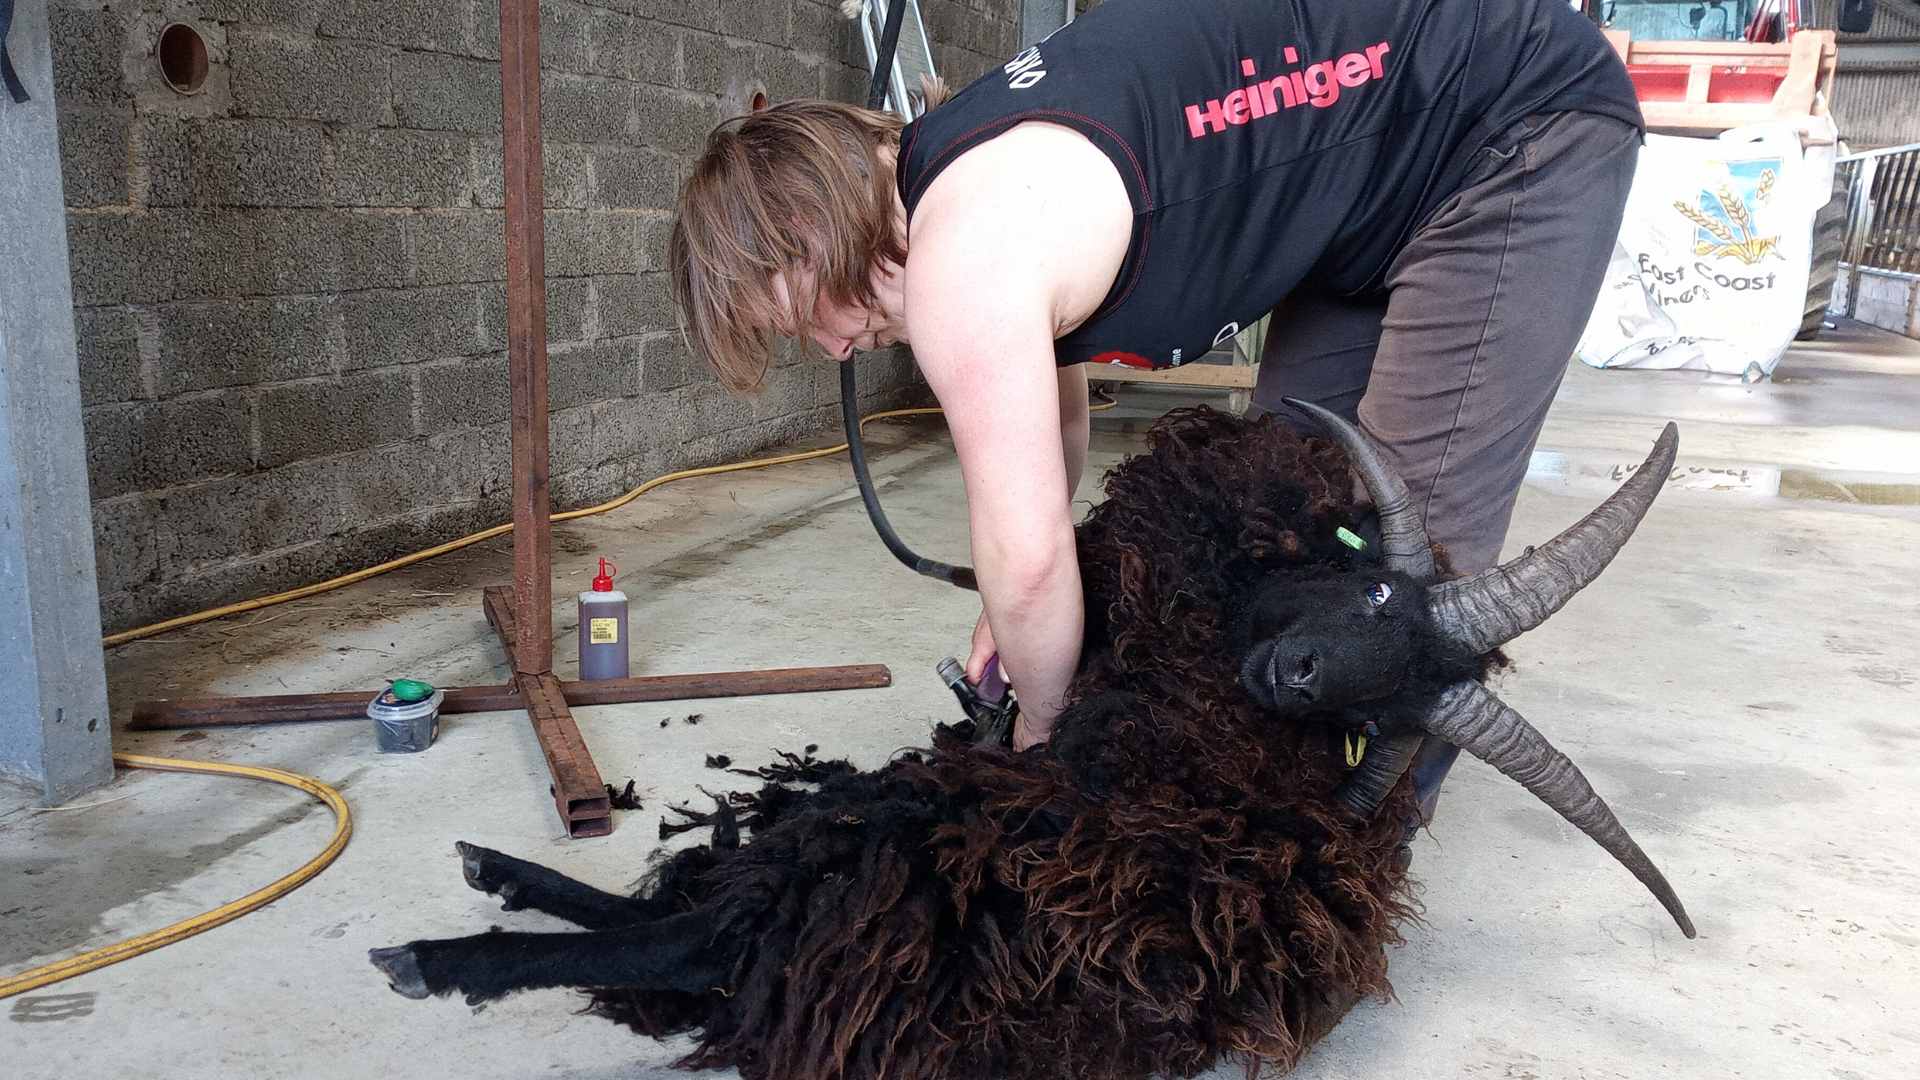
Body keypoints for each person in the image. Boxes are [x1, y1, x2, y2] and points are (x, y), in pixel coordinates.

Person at [665, 0, 1643, 814]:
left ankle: (1333, 878)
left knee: (1399, 602)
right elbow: (1050, 450)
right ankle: (1259, 799)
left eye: (803, 320)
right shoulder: (969, 168)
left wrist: (1044, 739)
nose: (833, 349)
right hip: (1369, 191)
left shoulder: (960, 260)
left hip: (1504, 125)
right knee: (1287, 526)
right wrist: (1013, 612)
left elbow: (1033, 561)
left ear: (805, 229)